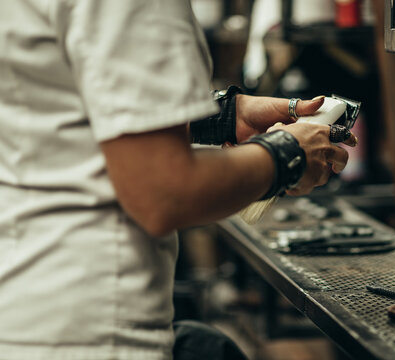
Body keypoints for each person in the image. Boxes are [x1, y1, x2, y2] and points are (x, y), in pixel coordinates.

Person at [0, 1, 356, 359]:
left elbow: (51, 108)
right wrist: (286, 155)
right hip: (89, 329)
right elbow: (163, 193)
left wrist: (219, 116)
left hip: (25, 307)